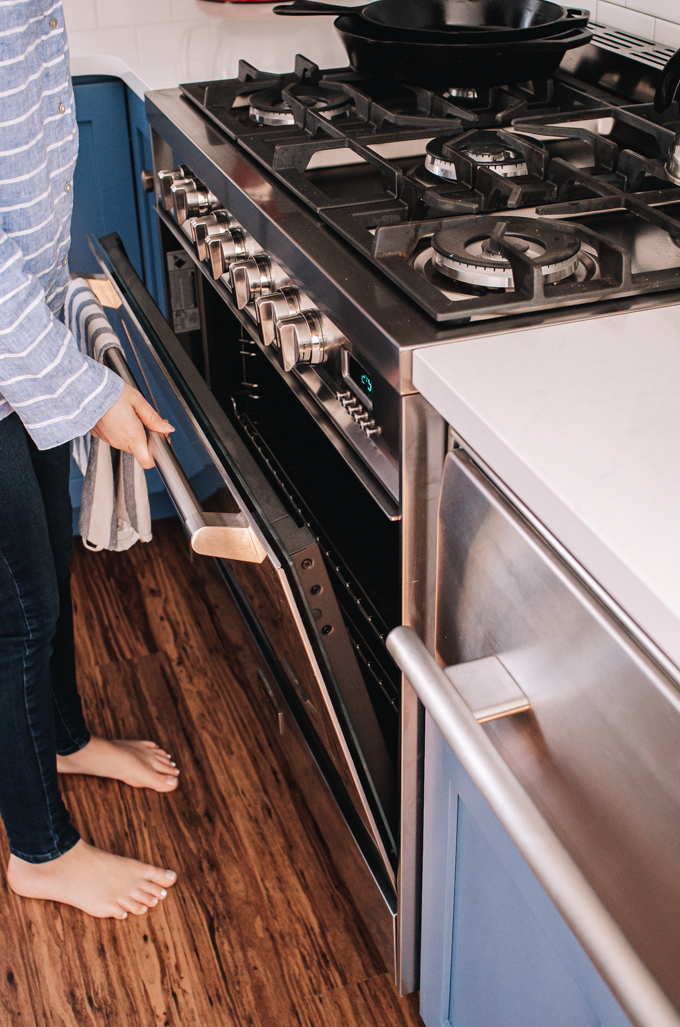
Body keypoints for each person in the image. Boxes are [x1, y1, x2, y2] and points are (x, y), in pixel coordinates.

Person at [0, 0, 180, 920]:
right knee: (16, 615)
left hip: (11, 355)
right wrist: (89, 394)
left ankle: (60, 737)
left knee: (48, 560)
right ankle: (38, 850)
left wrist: (62, 305)